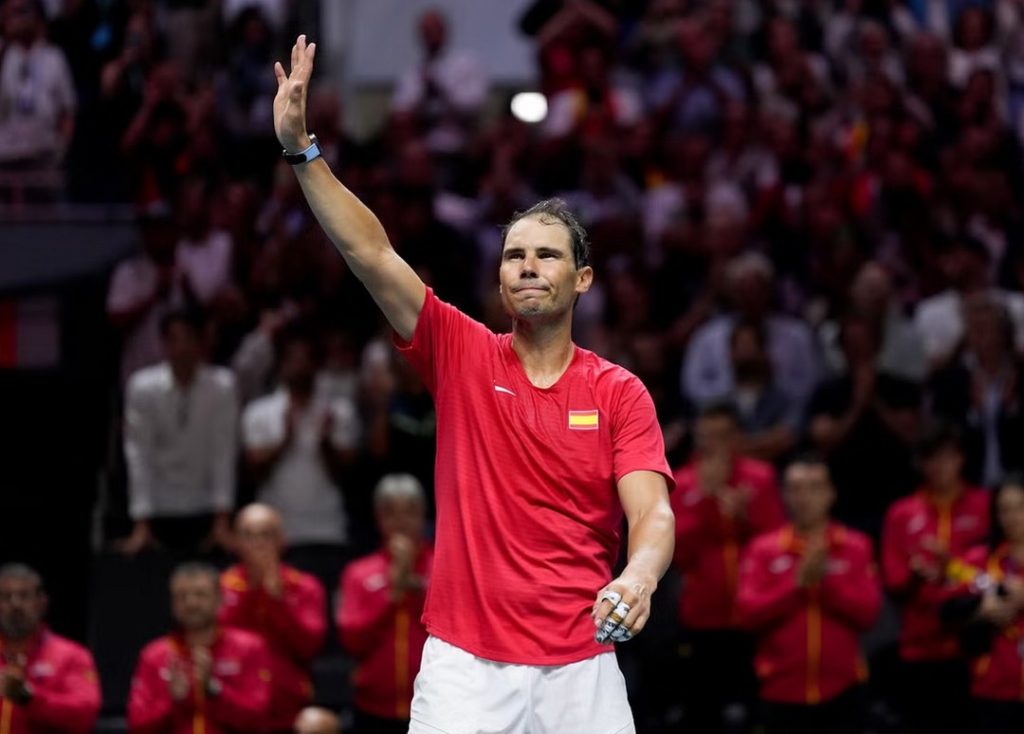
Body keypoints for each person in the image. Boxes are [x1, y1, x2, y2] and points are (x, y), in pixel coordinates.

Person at [274, 35, 674, 733]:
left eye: (547, 255)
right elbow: (370, 251)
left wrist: (637, 578)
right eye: (514, 254)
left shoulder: (618, 392)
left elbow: (653, 516)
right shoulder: (460, 353)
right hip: (465, 665)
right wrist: (303, 150)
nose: (526, 266)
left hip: (582, 661)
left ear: (581, 279)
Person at [736, 455, 882, 734]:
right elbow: (747, 613)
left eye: (815, 487)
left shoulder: (856, 546)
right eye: (796, 488)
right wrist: (797, 585)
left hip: (843, 692)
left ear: (831, 493)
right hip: (779, 693)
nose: (805, 497)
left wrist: (825, 584)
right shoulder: (763, 549)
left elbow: (868, 614)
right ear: (785, 495)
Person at [670, 400, 785, 733]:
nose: (714, 445)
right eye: (707, 437)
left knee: (756, 711)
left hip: (756, 617)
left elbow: (779, 543)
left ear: (736, 437)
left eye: (722, 436)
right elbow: (677, 554)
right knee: (704, 712)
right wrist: (705, 502)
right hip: (703, 617)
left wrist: (745, 518)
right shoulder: (681, 484)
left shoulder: (759, 478)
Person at [881, 421, 991, 733]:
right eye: (931, 457)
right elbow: (893, 583)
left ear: (961, 458)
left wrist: (953, 570)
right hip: (919, 648)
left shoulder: (986, 507)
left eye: (947, 456)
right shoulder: (901, 514)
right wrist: (916, 577)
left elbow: (995, 574)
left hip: (974, 650)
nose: (940, 466)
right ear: (922, 463)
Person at [241, 323, 359, 590]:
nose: (300, 366)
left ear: (317, 364)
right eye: (293, 359)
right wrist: (284, 440)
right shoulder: (260, 412)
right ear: (281, 364)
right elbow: (252, 472)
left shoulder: (338, 411)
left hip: (327, 530)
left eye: (306, 359)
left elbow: (348, 474)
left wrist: (326, 442)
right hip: (278, 535)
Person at [120, 310, 238, 555]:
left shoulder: (222, 385)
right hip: (158, 507)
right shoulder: (142, 387)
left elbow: (223, 452)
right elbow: (138, 454)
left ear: (201, 342)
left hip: (204, 507)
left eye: (189, 338)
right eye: (174, 339)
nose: (182, 347)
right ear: (163, 343)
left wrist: (222, 520)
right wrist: (141, 521)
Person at [337, 474, 433, 734]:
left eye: (410, 512)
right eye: (391, 513)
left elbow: (456, 630)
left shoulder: (442, 567)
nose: (401, 522)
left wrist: (414, 587)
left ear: (423, 515)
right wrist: (392, 595)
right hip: (372, 708)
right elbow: (352, 639)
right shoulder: (358, 573)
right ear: (379, 517)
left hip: (434, 703)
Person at [127, 562, 272, 734]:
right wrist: (172, 702)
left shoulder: (249, 648)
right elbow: (136, 725)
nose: (191, 603)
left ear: (220, 599)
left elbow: (259, 718)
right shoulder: (154, 655)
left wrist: (214, 689)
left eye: (200, 594)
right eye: (182, 596)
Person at [219, 504, 326, 734]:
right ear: (236, 542)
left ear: (281, 540)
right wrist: (252, 592)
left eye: (265, 534)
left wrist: (278, 600)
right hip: (234, 711)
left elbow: (310, 646)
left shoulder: (304, 586)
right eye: (248, 535)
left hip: (289, 708)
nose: (257, 543)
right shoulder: (221, 587)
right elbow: (218, 644)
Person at [942, 474, 1024, 733]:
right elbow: (946, 611)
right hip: (994, 688)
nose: (1012, 517)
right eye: (1004, 509)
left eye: (1020, 507)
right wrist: (981, 611)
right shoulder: (979, 559)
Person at [0, 564, 101, 734]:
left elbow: (85, 714)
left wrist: (28, 698)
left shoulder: (71, 655)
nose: (15, 604)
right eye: (6, 597)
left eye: (24, 596)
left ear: (42, 603)